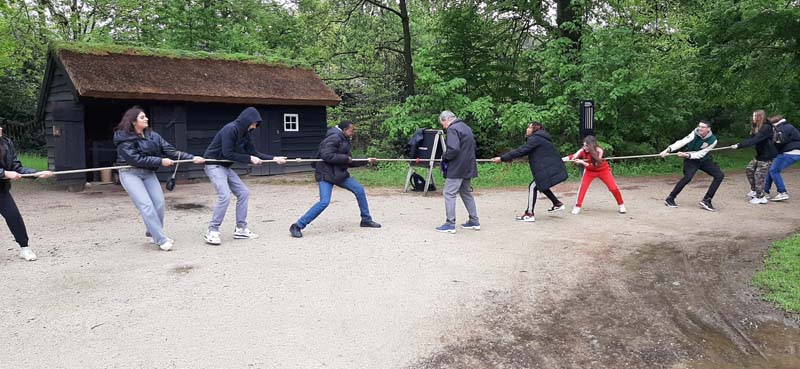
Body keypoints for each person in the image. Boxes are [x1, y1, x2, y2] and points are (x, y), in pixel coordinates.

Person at [114, 106, 205, 251]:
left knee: (159, 203)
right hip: (129, 172)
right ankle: (160, 239)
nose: (147, 119)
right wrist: (160, 161)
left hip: (148, 172)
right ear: (133, 121)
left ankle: (152, 233)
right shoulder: (123, 138)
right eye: (142, 117)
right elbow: (135, 159)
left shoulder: (153, 135)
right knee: (146, 205)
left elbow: (170, 151)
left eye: (146, 117)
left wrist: (192, 158)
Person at [203, 107, 287, 245]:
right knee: (224, 195)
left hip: (225, 166)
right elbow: (227, 153)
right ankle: (212, 231)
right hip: (214, 164)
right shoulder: (230, 129)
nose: (255, 126)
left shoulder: (245, 133)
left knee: (243, 193)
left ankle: (241, 229)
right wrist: (249, 159)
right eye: (254, 123)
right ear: (247, 120)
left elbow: (255, 153)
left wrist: (275, 158)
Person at [289, 121, 380, 238]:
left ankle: (366, 220)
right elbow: (326, 155)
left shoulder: (344, 139)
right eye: (351, 130)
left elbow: (349, 161)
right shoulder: (333, 137)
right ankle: (297, 226)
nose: (352, 133)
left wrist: (366, 160)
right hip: (326, 175)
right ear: (344, 129)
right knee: (324, 202)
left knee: (359, 189)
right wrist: (346, 159)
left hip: (339, 174)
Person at [491, 121, 568, 222]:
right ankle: (557, 204)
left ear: (535, 129)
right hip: (551, 167)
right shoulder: (540, 138)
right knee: (541, 185)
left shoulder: (536, 138)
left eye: (530, 128)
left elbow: (521, 150)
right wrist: (509, 158)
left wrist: (502, 158)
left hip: (550, 168)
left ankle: (529, 214)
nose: (527, 129)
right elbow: (524, 152)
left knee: (533, 187)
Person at [0, 126, 53, 261]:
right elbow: (7, 172)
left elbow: (16, 167)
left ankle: (25, 248)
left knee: (13, 216)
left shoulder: (6, 143)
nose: (0, 128)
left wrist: (36, 173)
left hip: (1, 190)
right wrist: (4, 173)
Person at [660, 120, 724, 211]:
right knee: (687, 177)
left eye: (703, 127)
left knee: (719, 175)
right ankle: (670, 198)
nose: (700, 128)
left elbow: (701, 154)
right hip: (691, 161)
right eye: (699, 126)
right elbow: (682, 142)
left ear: (708, 129)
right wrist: (668, 150)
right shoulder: (695, 133)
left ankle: (707, 200)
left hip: (704, 159)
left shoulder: (713, 140)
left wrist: (687, 155)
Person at [564, 135, 625, 215]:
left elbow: (595, 165)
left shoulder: (599, 151)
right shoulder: (582, 150)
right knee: (583, 188)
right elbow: (573, 156)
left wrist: (582, 162)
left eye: (586, 145)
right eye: (584, 145)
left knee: (613, 188)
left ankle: (621, 204)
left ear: (592, 145)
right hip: (589, 171)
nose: (584, 147)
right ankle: (577, 206)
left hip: (603, 170)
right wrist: (561, 159)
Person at [730, 110, 777, 204]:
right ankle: (755, 191)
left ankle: (761, 197)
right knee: (749, 169)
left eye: (755, 116)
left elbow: (755, 140)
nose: (753, 118)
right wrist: (739, 144)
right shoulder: (756, 127)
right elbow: (750, 139)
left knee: (759, 175)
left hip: (767, 156)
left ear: (760, 117)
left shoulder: (766, 128)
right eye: (753, 116)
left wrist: (739, 146)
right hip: (760, 155)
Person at [763, 115, 800, 201]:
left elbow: (780, 142)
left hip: (790, 152)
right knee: (772, 169)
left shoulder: (782, 129)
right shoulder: (786, 127)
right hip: (792, 152)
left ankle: (782, 192)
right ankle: (765, 192)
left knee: (773, 170)